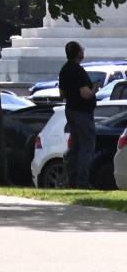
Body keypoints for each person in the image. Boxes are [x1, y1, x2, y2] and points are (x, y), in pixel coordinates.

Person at [58, 39, 97, 188]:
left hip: (71, 110)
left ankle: (72, 180)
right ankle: (83, 181)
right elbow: (85, 94)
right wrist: (94, 88)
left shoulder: (64, 70)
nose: (83, 51)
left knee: (75, 147)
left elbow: (62, 93)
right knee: (87, 146)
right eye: (82, 49)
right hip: (82, 112)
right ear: (78, 53)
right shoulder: (78, 71)